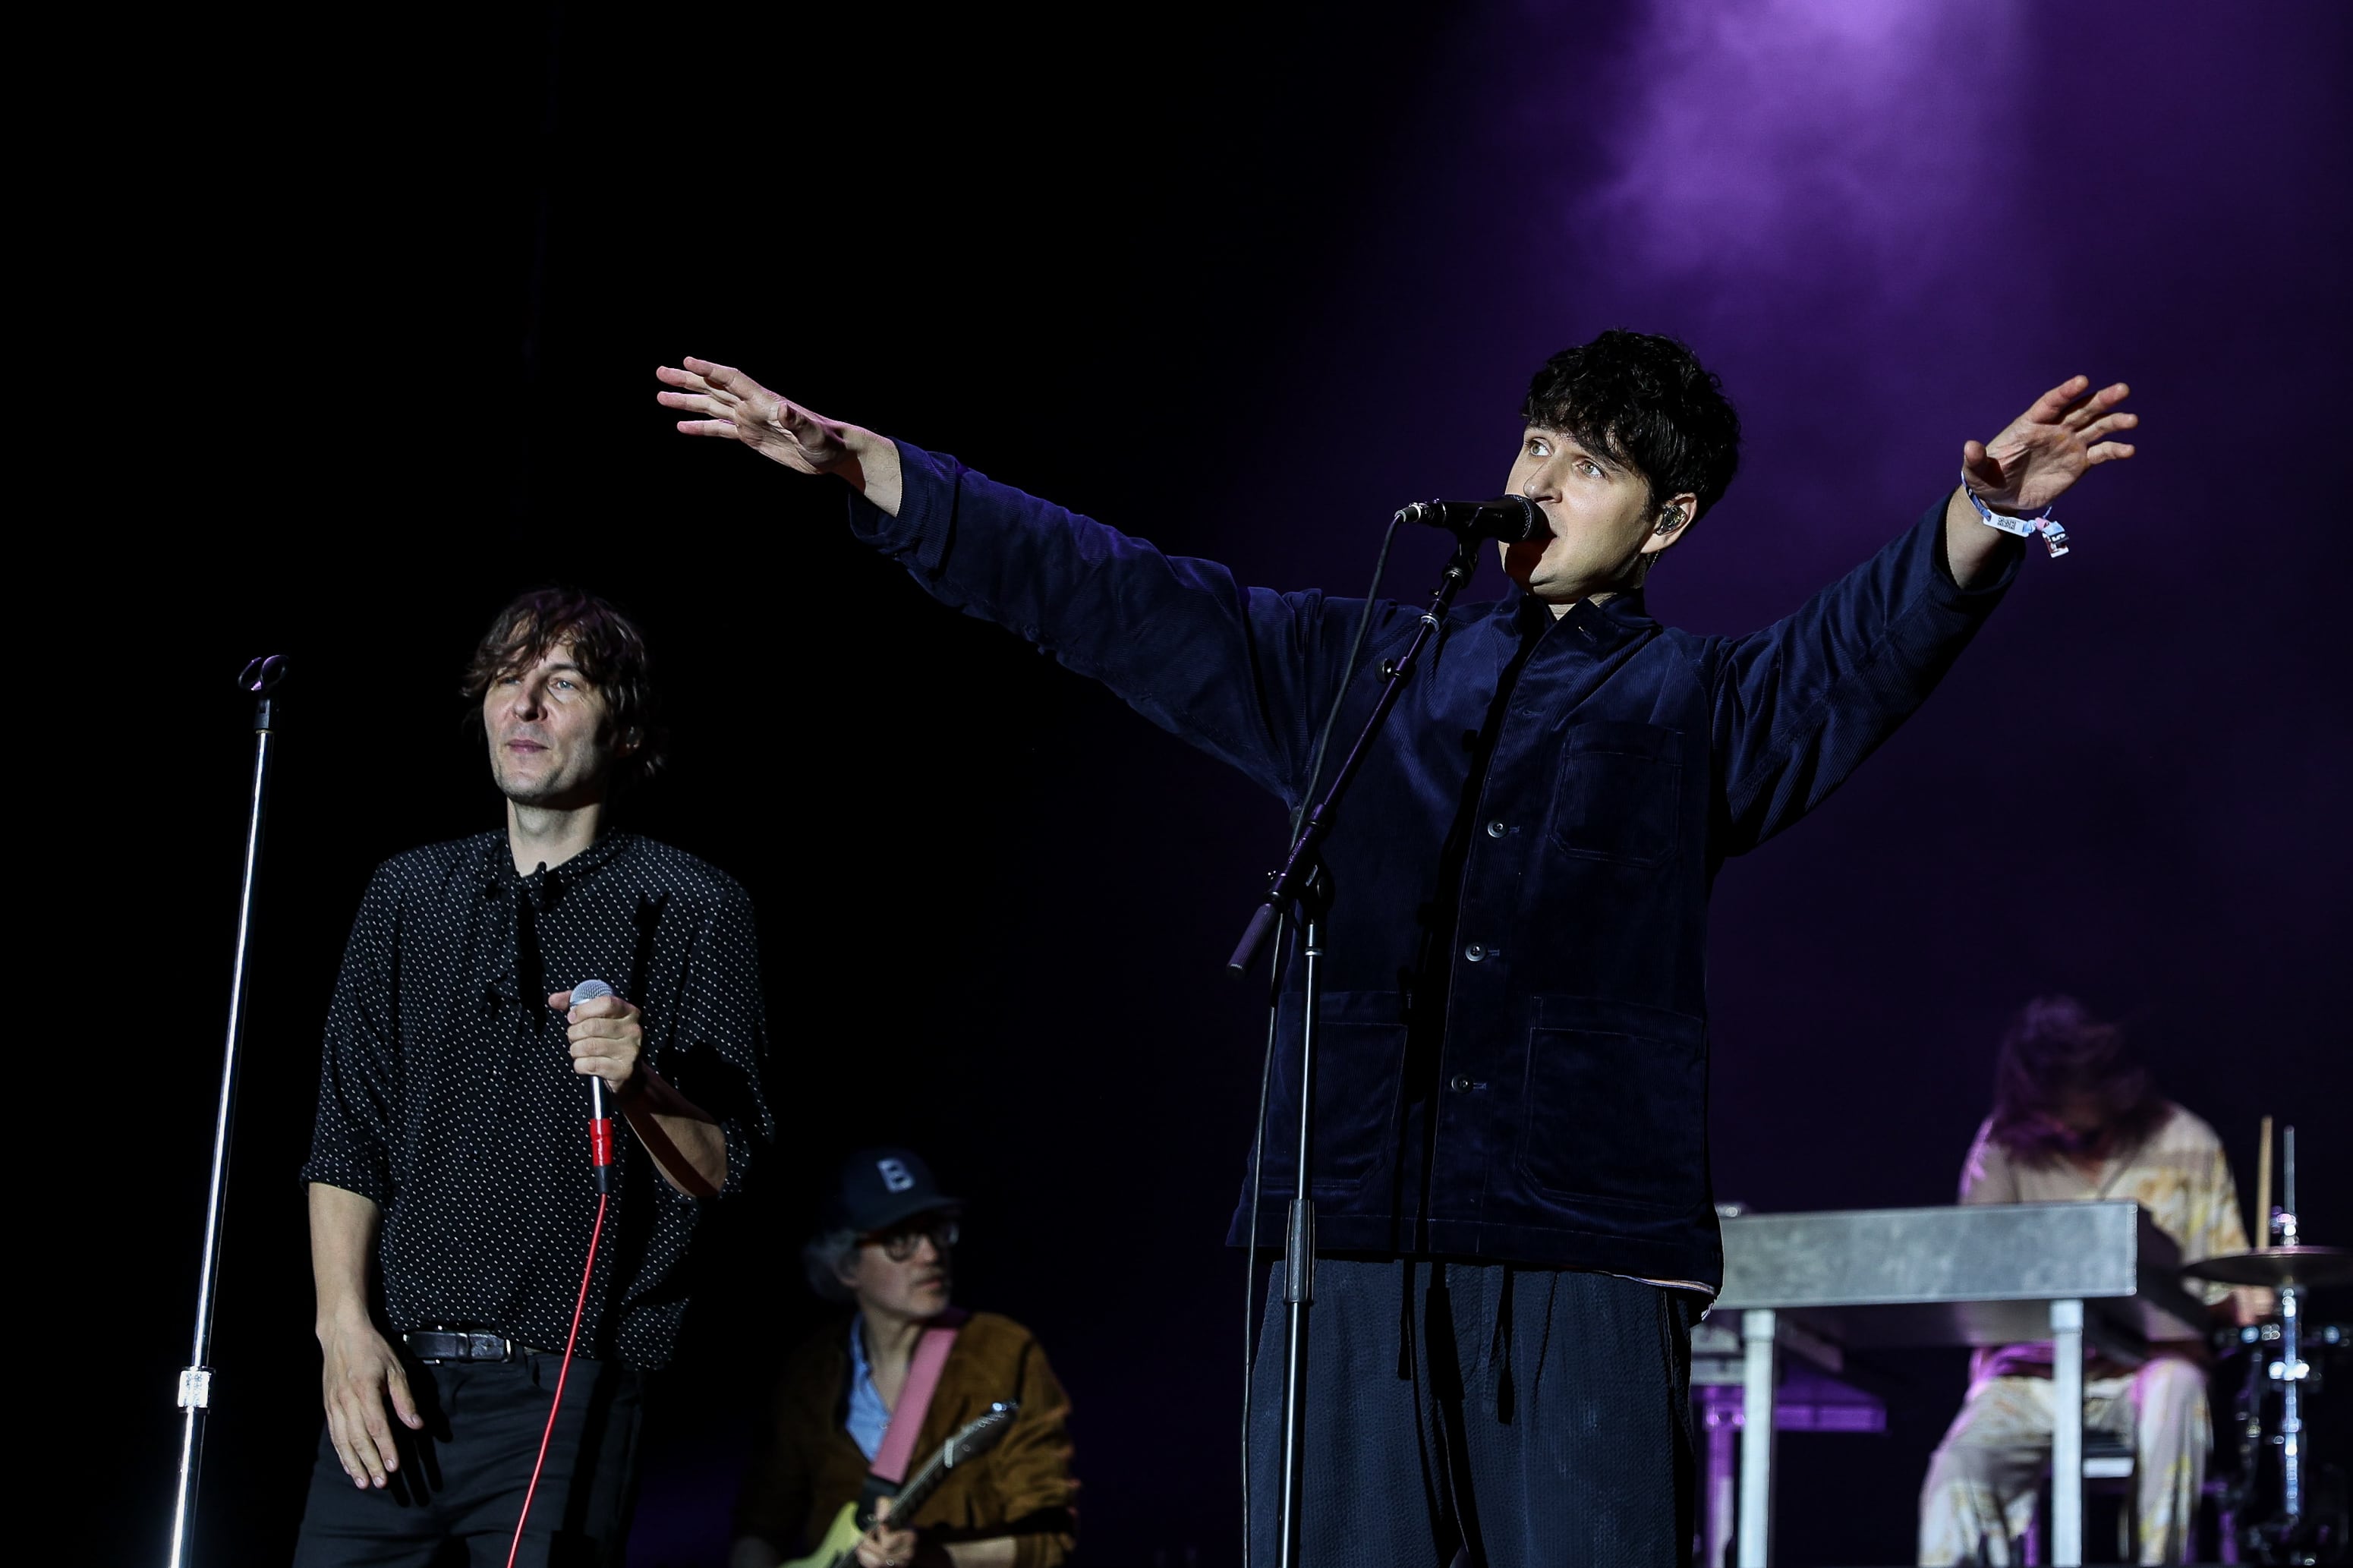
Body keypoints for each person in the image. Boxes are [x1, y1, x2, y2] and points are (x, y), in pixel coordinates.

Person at [656, 331, 2137, 1565]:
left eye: (1590, 464)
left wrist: (1980, 521)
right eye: (1534, 445)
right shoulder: (1360, 659)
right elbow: (1116, 597)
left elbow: (1843, 661)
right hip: (1346, 1221)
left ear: (1668, 520)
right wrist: (874, 470)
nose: (1540, 481)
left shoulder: (1694, 705)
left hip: (1579, 1245)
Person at [293, 587, 773, 1566]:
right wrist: (342, 1329)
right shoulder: (406, 893)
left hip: (571, 1386)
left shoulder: (693, 907)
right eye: (508, 679)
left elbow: (727, 1165)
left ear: (627, 728)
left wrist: (643, 1088)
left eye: (562, 683)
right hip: (394, 1383)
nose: (524, 705)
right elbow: (347, 1136)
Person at [1919, 997, 2266, 1565]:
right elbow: (1971, 1272)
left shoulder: (2185, 1142)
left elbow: (2221, 1280)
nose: (2063, 1125)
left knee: (2177, 1394)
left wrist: (2242, 1300)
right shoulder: (2004, 1144)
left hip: (2148, 1368)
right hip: (2031, 1374)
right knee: (1959, 1470)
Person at [730, 1149, 1077, 1568]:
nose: (930, 1254)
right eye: (900, 1240)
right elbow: (761, 1527)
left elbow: (1052, 1541)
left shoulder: (1002, 1350)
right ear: (846, 1266)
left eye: (937, 1231)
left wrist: (934, 1557)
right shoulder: (809, 1373)